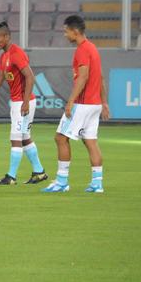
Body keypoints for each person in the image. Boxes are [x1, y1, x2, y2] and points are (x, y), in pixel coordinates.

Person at [0, 22, 48, 185]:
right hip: (19, 102)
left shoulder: (16, 53)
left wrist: (25, 101)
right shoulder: (4, 56)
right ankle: (39, 172)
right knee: (25, 137)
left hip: (22, 102)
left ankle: (11, 176)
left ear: (7, 37)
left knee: (15, 138)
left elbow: (30, 77)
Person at [44, 15, 109, 194]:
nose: (65, 35)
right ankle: (97, 183)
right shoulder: (93, 48)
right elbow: (101, 77)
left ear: (75, 31)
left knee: (60, 138)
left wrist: (71, 101)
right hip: (95, 104)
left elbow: (83, 76)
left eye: (66, 31)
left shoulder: (82, 49)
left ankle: (61, 182)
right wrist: (104, 102)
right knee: (90, 141)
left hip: (83, 103)